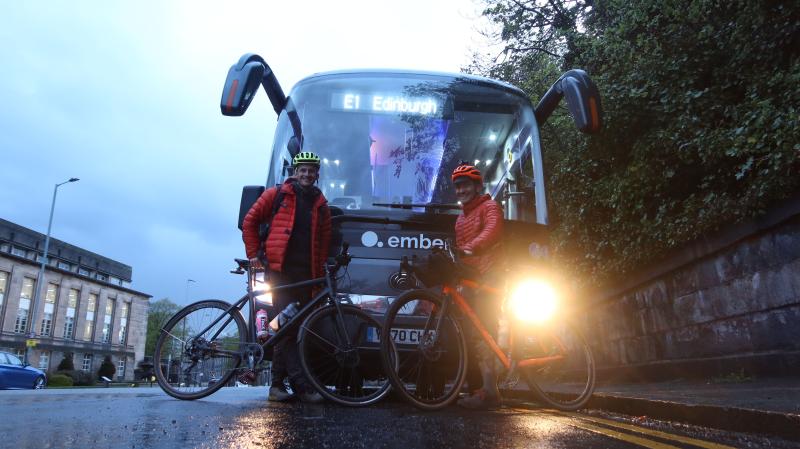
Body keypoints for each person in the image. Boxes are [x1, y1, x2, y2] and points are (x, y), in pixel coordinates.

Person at [242, 151, 332, 403]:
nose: (307, 174)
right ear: (295, 171)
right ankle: (301, 387)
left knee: (285, 330)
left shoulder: (321, 204)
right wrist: (253, 255)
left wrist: (320, 272)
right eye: (302, 169)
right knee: (289, 329)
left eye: (311, 170)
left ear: (317, 174)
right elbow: (249, 221)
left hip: (305, 278)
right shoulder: (277, 194)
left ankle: (276, 386)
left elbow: (323, 243)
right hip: (280, 273)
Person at [451, 162, 505, 410]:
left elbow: (493, 229)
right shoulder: (460, 219)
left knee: (485, 331)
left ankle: (490, 391)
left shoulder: (490, 206)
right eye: (458, 186)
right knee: (472, 335)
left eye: (465, 185)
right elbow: (461, 252)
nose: (461, 190)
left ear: (476, 186)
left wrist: (475, 245)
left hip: (490, 275)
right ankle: (479, 389)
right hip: (472, 279)